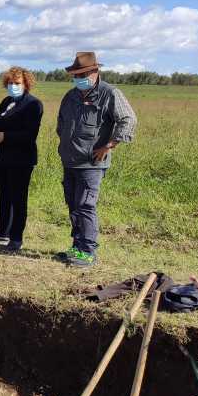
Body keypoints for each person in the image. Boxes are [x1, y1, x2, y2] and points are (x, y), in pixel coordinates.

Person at [56, 52, 136, 267]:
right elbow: (61, 123)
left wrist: (109, 145)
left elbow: (127, 120)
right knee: (73, 205)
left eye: (82, 74)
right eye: (75, 74)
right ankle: (76, 247)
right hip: (70, 160)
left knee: (85, 205)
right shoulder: (70, 96)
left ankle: (88, 251)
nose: (78, 78)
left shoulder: (110, 93)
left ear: (95, 72)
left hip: (91, 163)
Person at [0, 67, 44, 252]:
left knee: (18, 198)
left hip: (22, 159)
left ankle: (16, 238)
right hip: (3, 156)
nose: (13, 86)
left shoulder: (34, 104)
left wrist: (4, 136)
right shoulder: (7, 101)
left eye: (17, 83)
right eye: (10, 83)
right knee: (3, 196)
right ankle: (2, 232)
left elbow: (29, 135)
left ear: (26, 84)